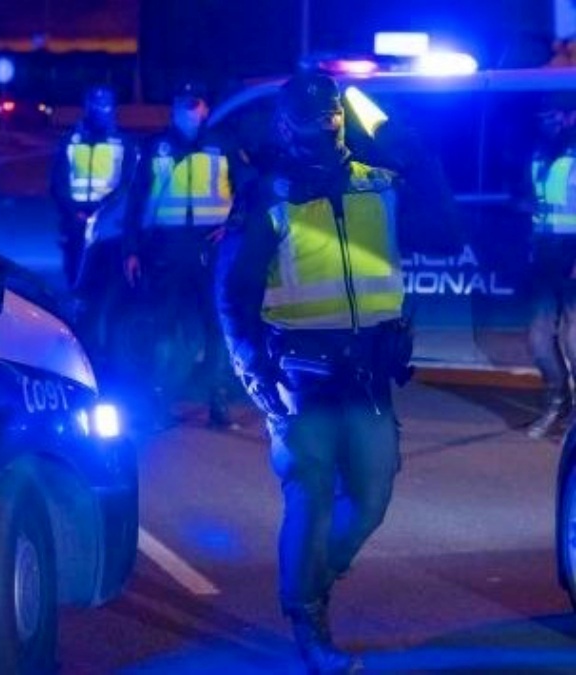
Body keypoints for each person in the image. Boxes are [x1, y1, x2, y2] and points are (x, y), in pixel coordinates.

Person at [215, 72, 458, 674]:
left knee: (373, 498)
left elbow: (448, 235)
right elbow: (233, 294)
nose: (327, 123)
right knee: (312, 497)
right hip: (302, 379)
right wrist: (255, 378)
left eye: (332, 113)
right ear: (287, 124)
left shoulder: (378, 184)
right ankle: (310, 624)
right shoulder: (269, 195)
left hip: (370, 373)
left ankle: (310, 583)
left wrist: (419, 157)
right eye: (313, 116)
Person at [121, 82, 237, 428]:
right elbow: (135, 202)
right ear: (173, 107)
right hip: (165, 249)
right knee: (163, 328)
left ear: (205, 108)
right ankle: (158, 404)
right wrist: (131, 250)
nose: (189, 111)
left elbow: (247, 191)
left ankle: (218, 403)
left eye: (195, 104)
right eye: (182, 104)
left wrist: (234, 224)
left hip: (209, 250)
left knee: (217, 328)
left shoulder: (223, 145)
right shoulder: (156, 147)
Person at [50, 85, 137, 289]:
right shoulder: (69, 141)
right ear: (87, 107)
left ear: (113, 109)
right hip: (75, 218)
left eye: (105, 106)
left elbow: (129, 183)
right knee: (75, 265)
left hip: (109, 218)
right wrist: (73, 211)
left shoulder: (124, 143)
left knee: (107, 271)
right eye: (95, 106)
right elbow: (58, 181)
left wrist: (105, 210)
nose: (100, 111)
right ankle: (75, 303)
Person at [525, 94, 576, 439]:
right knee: (539, 339)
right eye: (542, 115)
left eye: (553, 114)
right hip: (545, 251)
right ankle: (558, 401)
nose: (547, 121)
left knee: (574, 337)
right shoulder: (540, 154)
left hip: (573, 250)